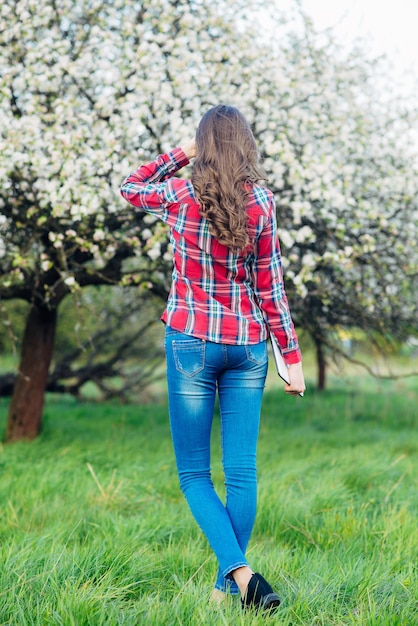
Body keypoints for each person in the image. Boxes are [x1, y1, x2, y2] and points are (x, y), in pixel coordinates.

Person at [120, 104, 305, 613]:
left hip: (191, 343)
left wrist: (181, 152)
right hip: (247, 345)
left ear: (204, 145)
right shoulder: (262, 201)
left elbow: (130, 187)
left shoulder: (180, 193)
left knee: (195, 475)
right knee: (242, 472)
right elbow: (272, 286)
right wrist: (291, 356)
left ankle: (239, 578)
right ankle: (232, 587)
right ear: (246, 144)